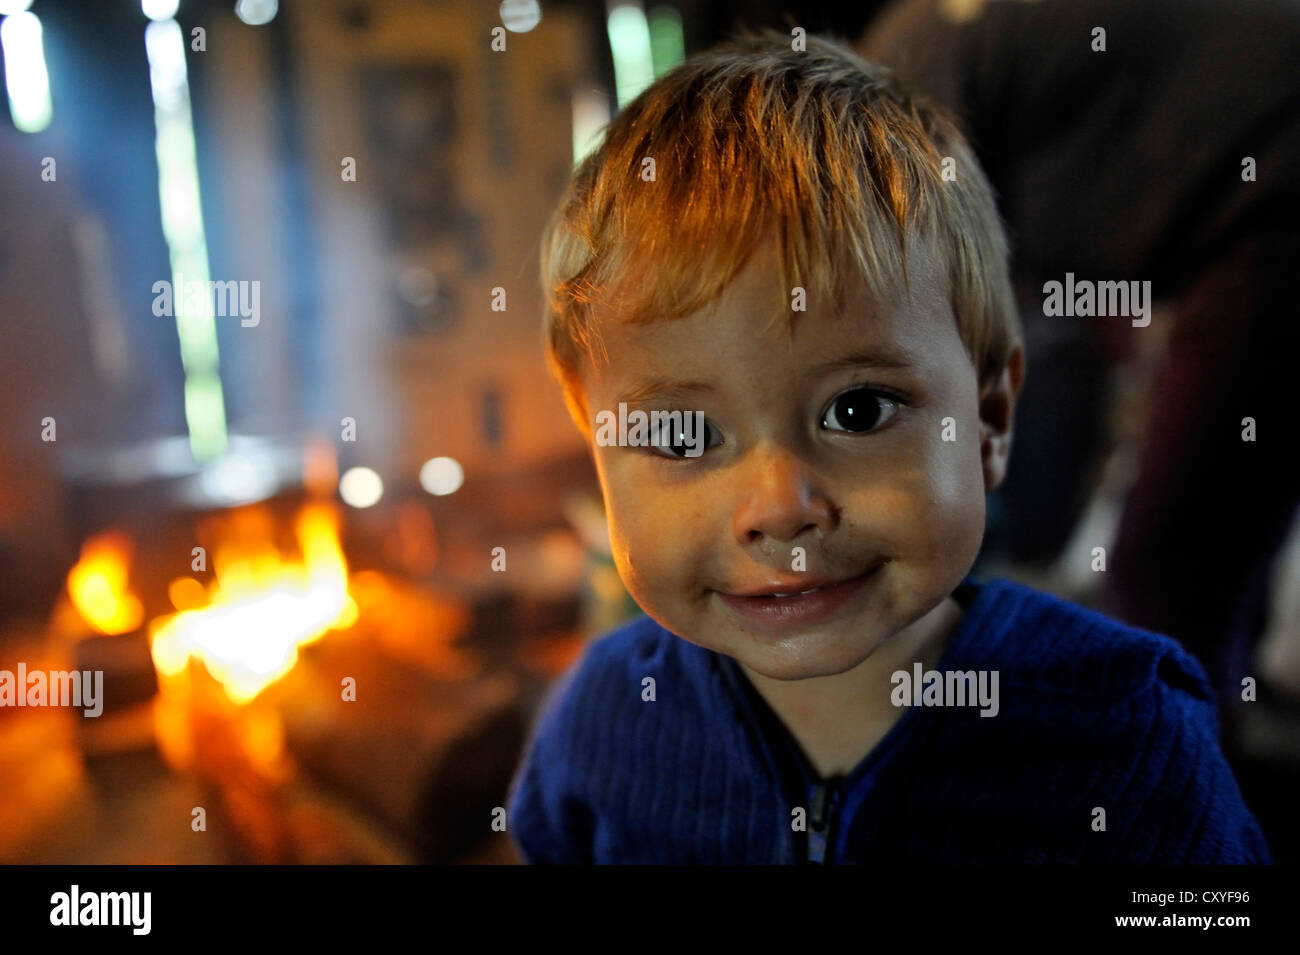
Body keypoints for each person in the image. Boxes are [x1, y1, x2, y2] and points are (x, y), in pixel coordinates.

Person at [505, 29, 1270, 863]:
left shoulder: (1130, 744)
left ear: (989, 418)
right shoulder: (599, 719)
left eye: (859, 410)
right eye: (684, 433)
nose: (779, 508)